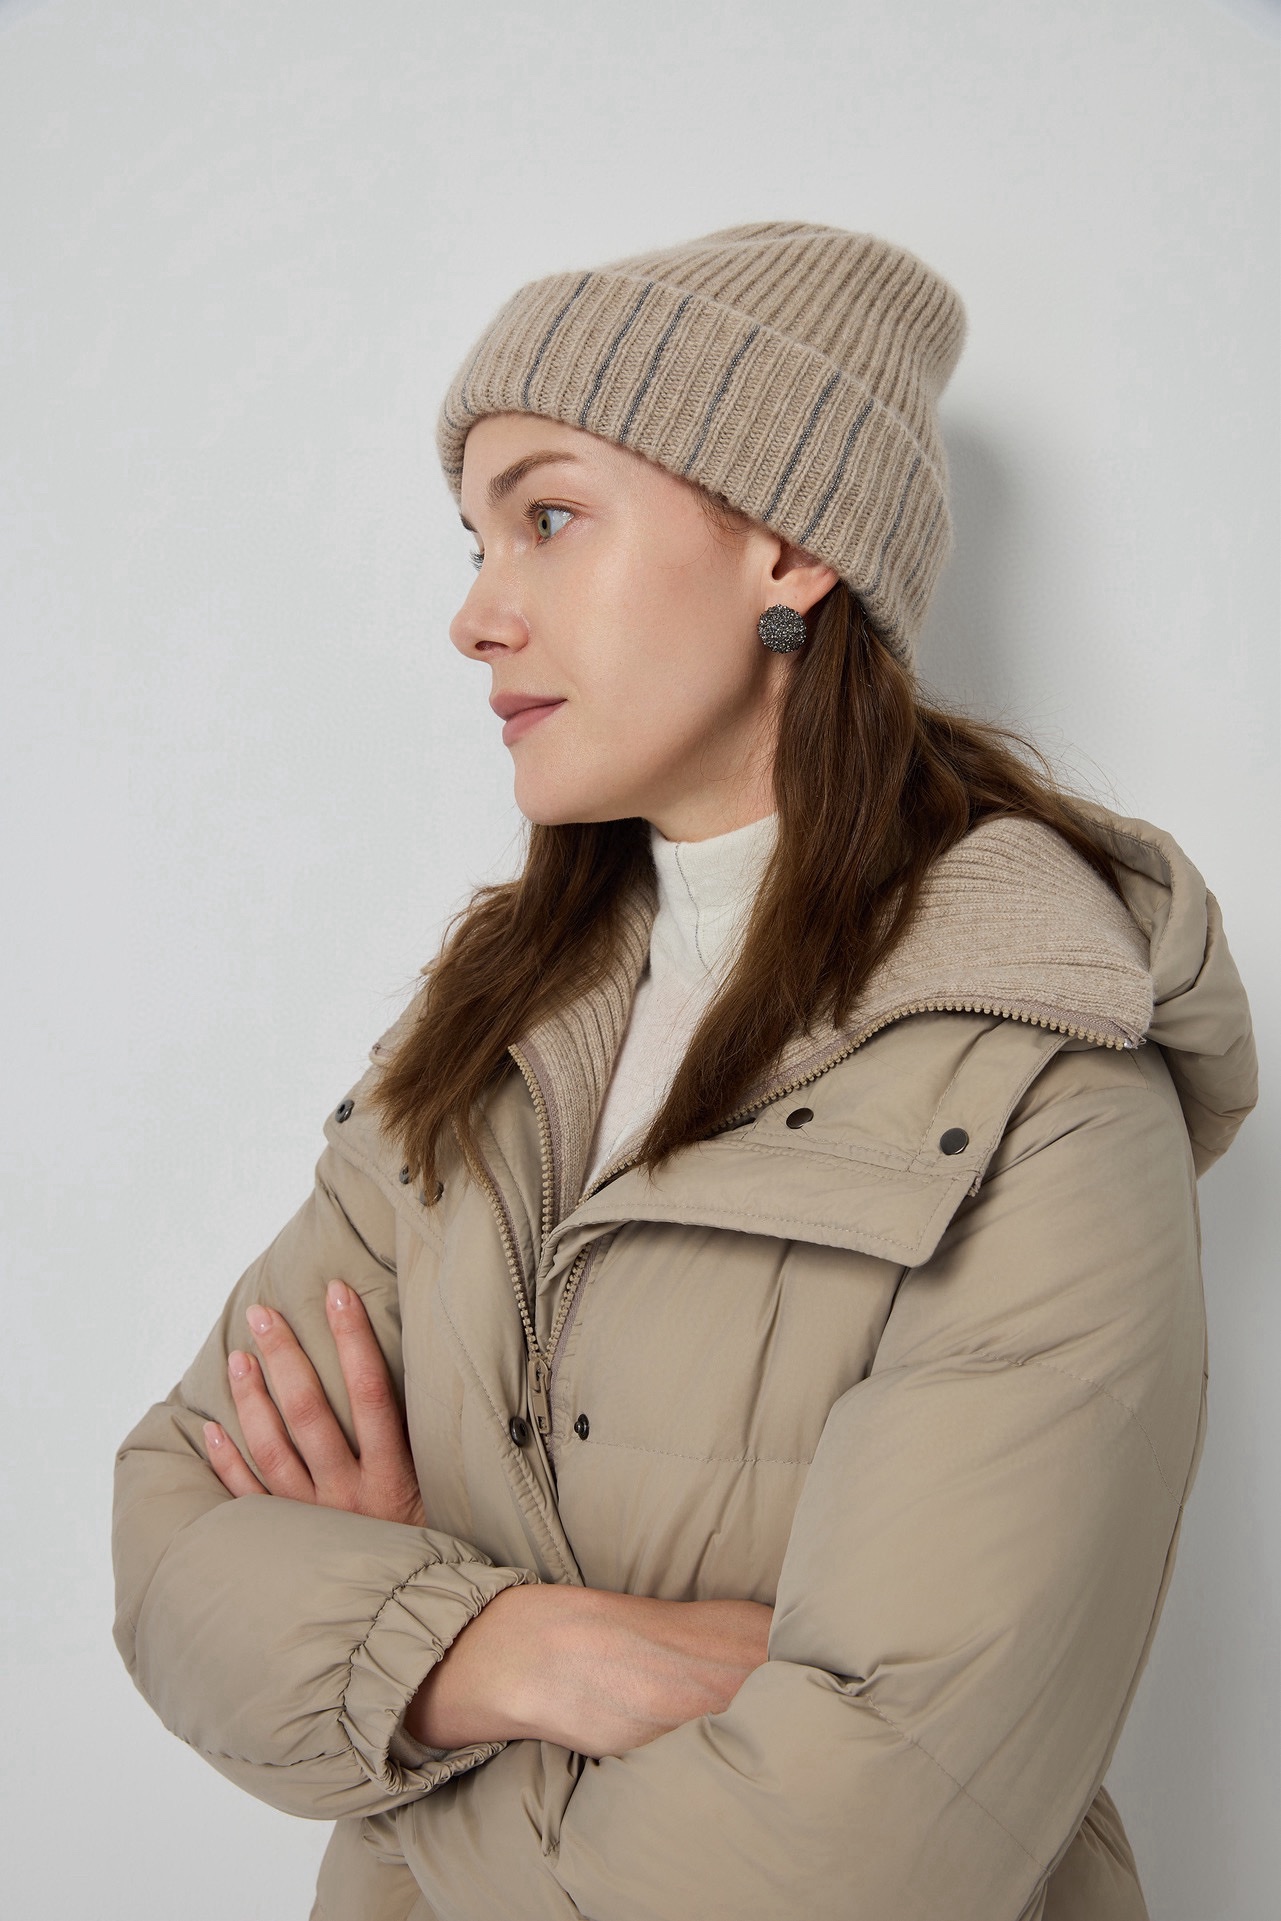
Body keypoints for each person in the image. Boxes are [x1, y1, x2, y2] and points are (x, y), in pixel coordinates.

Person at [111, 221, 1257, 1921]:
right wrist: (515, 1645)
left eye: (548, 517)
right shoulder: (482, 1035)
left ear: (787, 548)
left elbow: (862, 1847)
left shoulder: (1041, 1074)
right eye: (475, 539)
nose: (474, 614)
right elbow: (170, 1538)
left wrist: (404, 1681)